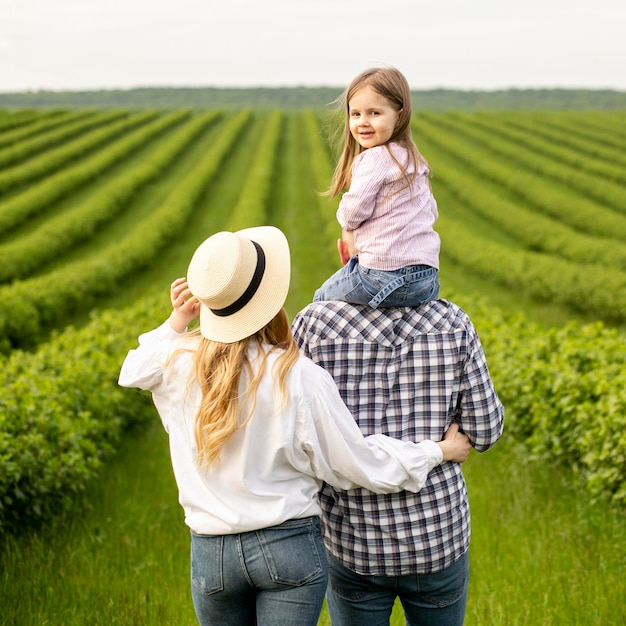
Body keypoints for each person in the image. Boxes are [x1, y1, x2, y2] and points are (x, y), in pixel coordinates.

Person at [118, 226, 472, 626]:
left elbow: (133, 369)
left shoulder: (176, 364)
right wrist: (436, 451)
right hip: (287, 546)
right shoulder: (296, 377)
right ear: (270, 298)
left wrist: (176, 322)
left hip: (210, 553)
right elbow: (356, 465)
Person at [292, 234, 505, 626]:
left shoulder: (313, 324)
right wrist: (446, 442)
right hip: (437, 535)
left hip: (353, 539)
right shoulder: (453, 322)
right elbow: (487, 430)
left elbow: (292, 428)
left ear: (345, 254)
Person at [314, 66, 441, 310]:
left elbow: (353, 212)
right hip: (427, 279)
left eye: (374, 113)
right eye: (356, 114)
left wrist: (346, 226)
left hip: (383, 275)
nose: (363, 122)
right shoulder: (415, 162)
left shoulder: (376, 158)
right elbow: (431, 213)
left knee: (321, 300)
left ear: (399, 115)